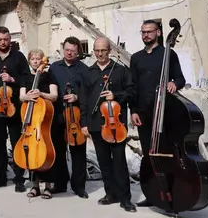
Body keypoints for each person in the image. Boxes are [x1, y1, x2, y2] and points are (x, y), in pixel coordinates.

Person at [130, 20, 186, 207]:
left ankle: (173, 192)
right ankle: (154, 194)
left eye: (149, 32)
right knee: (149, 154)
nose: (146, 35)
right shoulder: (136, 58)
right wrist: (133, 111)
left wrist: (174, 84)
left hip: (166, 113)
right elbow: (133, 88)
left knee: (167, 153)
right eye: (143, 32)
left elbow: (180, 78)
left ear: (159, 33)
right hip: (144, 114)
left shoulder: (168, 53)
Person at [80, 37, 137, 213]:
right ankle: (110, 194)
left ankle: (125, 199)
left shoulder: (120, 70)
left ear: (109, 51)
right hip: (96, 124)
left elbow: (132, 92)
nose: (99, 54)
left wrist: (116, 95)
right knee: (104, 162)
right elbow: (83, 100)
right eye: (96, 50)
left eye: (103, 50)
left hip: (116, 125)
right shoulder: (89, 72)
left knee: (119, 162)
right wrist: (84, 123)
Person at [0, 26, 30, 193]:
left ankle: (19, 178)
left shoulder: (18, 57)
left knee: (16, 143)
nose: (3, 42)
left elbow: (27, 78)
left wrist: (13, 79)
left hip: (14, 107)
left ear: (10, 39)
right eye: (0, 40)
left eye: (6, 39)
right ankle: (1, 177)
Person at [47, 36, 89, 198]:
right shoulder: (54, 68)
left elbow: (89, 93)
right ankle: (60, 183)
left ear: (78, 52)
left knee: (78, 151)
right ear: (62, 49)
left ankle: (79, 187)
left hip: (76, 116)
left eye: (73, 50)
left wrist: (76, 97)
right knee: (58, 150)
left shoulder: (85, 70)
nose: (69, 53)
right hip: (58, 114)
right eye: (66, 50)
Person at [20, 49, 59, 200]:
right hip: (31, 122)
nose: (36, 61)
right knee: (32, 152)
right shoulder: (25, 77)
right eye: (33, 59)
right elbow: (22, 96)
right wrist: (28, 96)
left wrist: (41, 94)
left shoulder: (48, 76)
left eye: (38, 59)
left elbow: (54, 96)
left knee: (48, 151)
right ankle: (35, 186)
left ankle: (48, 186)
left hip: (46, 120)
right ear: (29, 61)